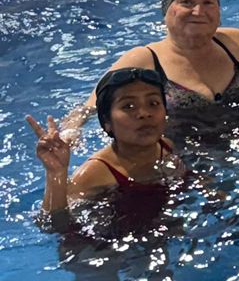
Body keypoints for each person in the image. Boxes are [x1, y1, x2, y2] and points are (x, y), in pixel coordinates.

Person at [107, 0, 239, 124]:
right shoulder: (144, 59)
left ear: (219, 11)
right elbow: (91, 108)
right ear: (166, 11)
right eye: (187, 2)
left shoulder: (234, 42)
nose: (198, 11)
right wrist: (79, 129)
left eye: (208, 2)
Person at [31, 68, 184, 212]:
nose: (144, 113)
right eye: (129, 106)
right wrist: (56, 173)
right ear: (107, 123)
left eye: (153, 103)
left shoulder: (166, 146)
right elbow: (54, 225)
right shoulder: (93, 174)